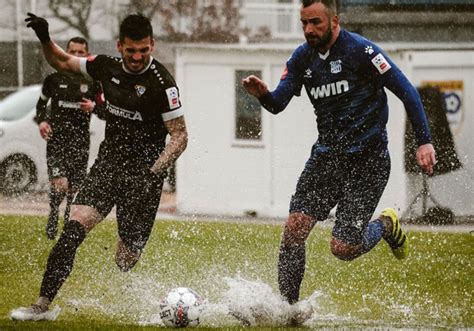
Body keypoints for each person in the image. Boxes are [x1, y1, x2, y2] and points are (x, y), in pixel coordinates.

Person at [242, 0, 436, 324]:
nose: (309, 30)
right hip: (327, 158)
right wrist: (263, 95)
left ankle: (386, 224)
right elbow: (278, 103)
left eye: (316, 22)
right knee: (293, 229)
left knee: (342, 248)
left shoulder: (362, 51)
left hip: (368, 162)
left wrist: (424, 141)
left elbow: (407, 92)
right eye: (303, 23)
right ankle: (288, 309)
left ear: (335, 20)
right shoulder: (301, 58)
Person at [11, 12, 188, 321]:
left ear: (152, 45)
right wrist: (44, 37)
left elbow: (179, 136)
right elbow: (63, 62)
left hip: (144, 176)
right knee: (73, 229)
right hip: (108, 165)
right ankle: (41, 306)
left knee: (124, 259)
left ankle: (139, 256)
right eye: (131, 50)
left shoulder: (163, 84)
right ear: (120, 46)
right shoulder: (105, 67)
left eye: (144, 50)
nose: (137, 57)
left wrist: (154, 172)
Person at [35, 36, 104, 240]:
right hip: (57, 141)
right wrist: (42, 122)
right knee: (60, 185)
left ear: (86, 55)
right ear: (66, 52)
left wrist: (94, 107)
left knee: (74, 189)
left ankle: (67, 223)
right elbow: (40, 105)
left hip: (80, 143)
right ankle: (53, 213)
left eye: (80, 52)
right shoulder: (53, 80)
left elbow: (104, 110)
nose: (76, 55)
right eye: (72, 51)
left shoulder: (93, 83)